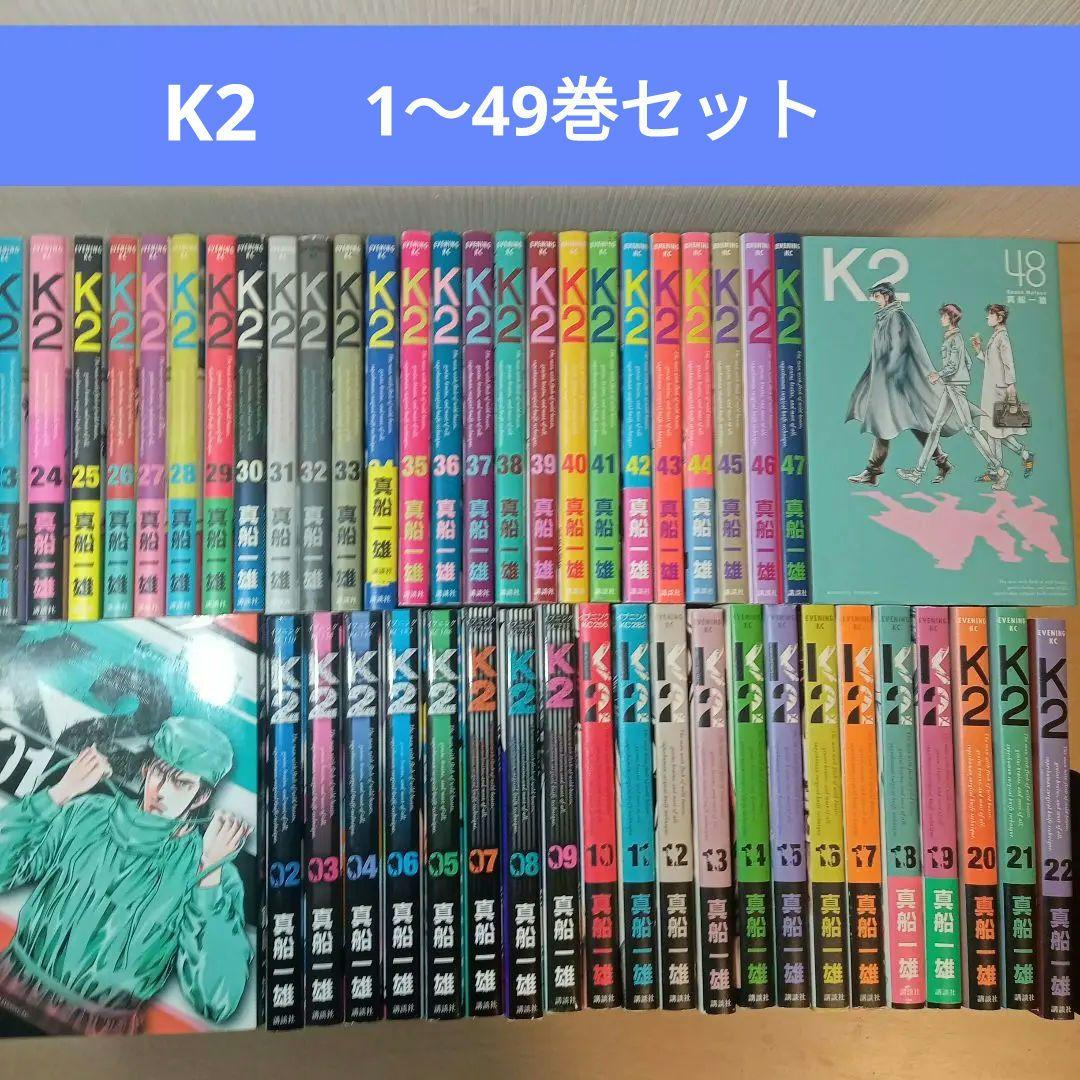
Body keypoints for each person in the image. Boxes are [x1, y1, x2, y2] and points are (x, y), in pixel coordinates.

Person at [0, 716, 252, 1035]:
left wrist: (209, 878)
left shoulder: (210, 872)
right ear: (146, 769)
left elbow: (217, 1000)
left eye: (182, 783)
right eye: (160, 772)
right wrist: (59, 793)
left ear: (201, 796)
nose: (162, 791)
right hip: (10, 989)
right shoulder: (88, 814)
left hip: (99, 1036)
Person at [846, 280, 954, 485]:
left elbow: (899, 348)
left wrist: (890, 373)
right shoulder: (884, 317)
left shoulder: (896, 316)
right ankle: (874, 472)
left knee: (899, 422)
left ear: (887, 296)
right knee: (894, 422)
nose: (875, 300)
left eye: (877, 296)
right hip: (886, 379)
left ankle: (874, 472)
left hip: (897, 381)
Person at [896, 303, 1008, 490]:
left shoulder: (955, 338)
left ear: (951, 318)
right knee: (935, 428)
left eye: (944, 316)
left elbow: (955, 366)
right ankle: (918, 473)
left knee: (969, 429)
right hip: (951, 386)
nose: (941, 318)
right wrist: (955, 378)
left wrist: (939, 375)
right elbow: (967, 362)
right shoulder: (953, 337)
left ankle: (1000, 471)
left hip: (955, 387)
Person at [971, 303, 1035, 479]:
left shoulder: (1002, 337)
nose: (987, 317)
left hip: (1000, 390)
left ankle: (996, 471)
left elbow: (1008, 363)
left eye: (991, 315)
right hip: (992, 389)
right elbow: (992, 362)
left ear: (999, 318)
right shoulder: (995, 336)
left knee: (994, 431)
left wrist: (1011, 387)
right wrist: (978, 350)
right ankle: (1025, 455)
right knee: (997, 431)